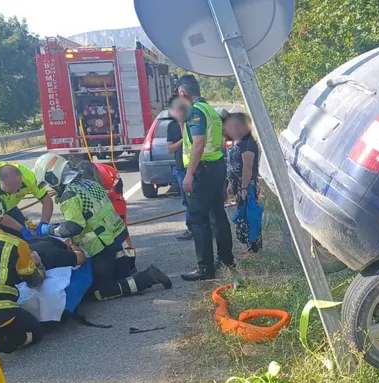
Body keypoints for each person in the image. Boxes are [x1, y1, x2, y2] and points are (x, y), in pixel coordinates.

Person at [32, 152, 172, 300]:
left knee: (101, 292)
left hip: (101, 248)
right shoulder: (88, 183)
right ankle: (137, 280)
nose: (51, 186)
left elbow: (73, 227)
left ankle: (149, 277)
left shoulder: (70, 195)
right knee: (120, 279)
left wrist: (47, 229)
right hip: (116, 242)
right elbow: (91, 216)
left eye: (49, 182)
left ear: (52, 176)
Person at [175, 74, 235, 281]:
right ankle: (227, 259)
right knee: (217, 214)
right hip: (216, 167)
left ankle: (205, 268)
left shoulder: (195, 112)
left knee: (199, 220)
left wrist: (189, 174)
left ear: (183, 93)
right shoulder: (210, 109)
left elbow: (198, 143)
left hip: (202, 170)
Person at [0, 191, 46, 353]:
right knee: (35, 331)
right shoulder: (15, 243)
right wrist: (39, 266)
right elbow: (33, 281)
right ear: (0, 218)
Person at [0, 162, 53, 240]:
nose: (13, 193)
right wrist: (21, 229)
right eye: (9, 191)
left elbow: (46, 199)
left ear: (21, 178)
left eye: (18, 189)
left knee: (25, 235)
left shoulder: (29, 177)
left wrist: (44, 223)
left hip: (8, 205)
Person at [223, 112, 263, 251]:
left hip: (246, 185)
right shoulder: (236, 141)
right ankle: (248, 245)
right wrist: (230, 183)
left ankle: (254, 247)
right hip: (237, 184)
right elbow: (231, 163)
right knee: (242, 215)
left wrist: (245, 188)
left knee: (250, 216)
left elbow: (247, 166)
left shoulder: (248, 143)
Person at [166, 95, 192, 241]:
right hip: (181, 168)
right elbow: (170, 148)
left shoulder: (194, 121)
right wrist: (183, 139)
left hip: (195, 167)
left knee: (198, 199)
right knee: (186, 201)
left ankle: (204, 227)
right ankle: (191, 228)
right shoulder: (172, 126)